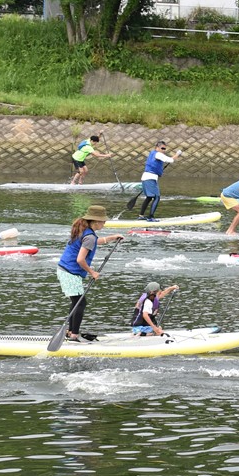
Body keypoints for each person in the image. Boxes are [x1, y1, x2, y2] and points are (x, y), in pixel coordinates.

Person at [56, 205, 124, 342]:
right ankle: (74, 334)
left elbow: (94, 242)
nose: (104, 223)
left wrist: (112, 238)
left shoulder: (86, 232)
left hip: (65, 270)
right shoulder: (89, 236)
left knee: (76, 302)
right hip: (69, 272)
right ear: (96, 221)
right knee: (80, 303)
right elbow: (80, 259)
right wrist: (92, 272)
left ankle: (70, 331)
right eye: (103, 221)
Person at [138, 140, 178, 221]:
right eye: (162, 148)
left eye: (165, 149)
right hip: (150, 178)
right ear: (157, 147)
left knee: (149, 197)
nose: (163, 150)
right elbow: (170, 160)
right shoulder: (158, 154)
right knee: (157, 197)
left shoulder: (153, 153)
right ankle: (151, 217)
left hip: (146, 177)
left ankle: (141, 216)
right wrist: (177, 154)